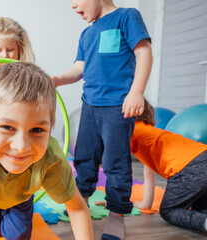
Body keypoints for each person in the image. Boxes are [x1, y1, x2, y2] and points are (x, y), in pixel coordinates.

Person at [0, 62, 94, 240]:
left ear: (50, 127)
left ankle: (17, 208)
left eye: (37, 130)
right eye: (7, 127)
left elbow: (77, 208)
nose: (21, 146)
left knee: (18, 237)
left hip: (21, 196)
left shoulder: (51, 158)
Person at [52, 0, 153, 239]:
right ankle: (81, 204)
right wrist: (56, 79)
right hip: (90, 106)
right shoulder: (87, 34)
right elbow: (79, 70)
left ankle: (117, 216)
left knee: (114, 163)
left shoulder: (127, 17)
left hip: (118, 107)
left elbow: (144, 53)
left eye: (76, 0)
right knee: (84, 158)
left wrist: (136, 92)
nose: (73, 6)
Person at [131, 99, 207, 233]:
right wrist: (146, 204)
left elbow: (117, 162)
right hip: (202, 156)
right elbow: (149, 176)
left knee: (169, 211)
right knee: (198, 211)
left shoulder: (132, 129)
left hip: (189, 168)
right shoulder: (152, 136)